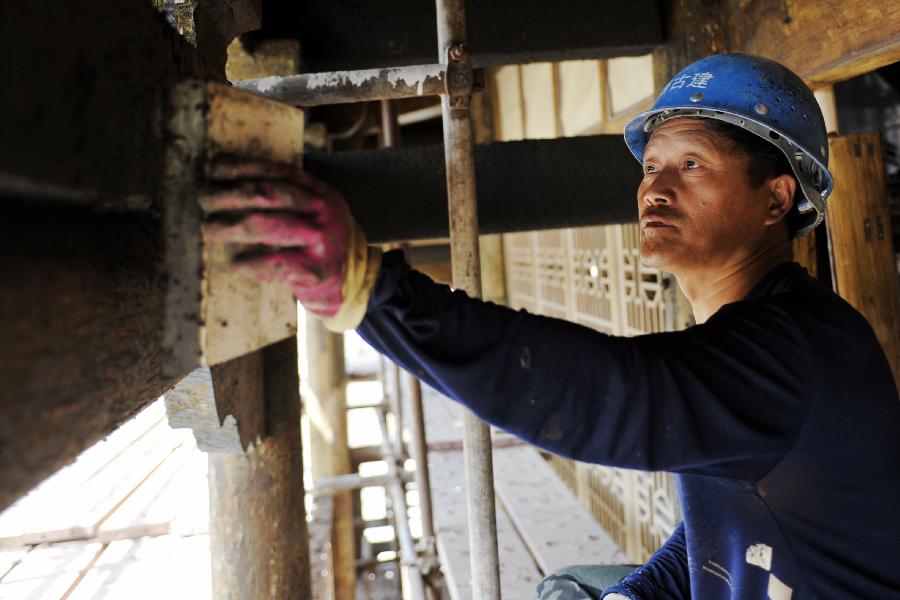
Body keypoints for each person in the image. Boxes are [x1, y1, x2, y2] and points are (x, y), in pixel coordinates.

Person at [202, 53, 900, 599]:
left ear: (777, 198)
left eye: (692, 165)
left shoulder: (794, 351)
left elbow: (612, 397)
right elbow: (722, 528)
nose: (655, 188)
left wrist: (370, 293)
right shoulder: (773, 334)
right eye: (652, 165)